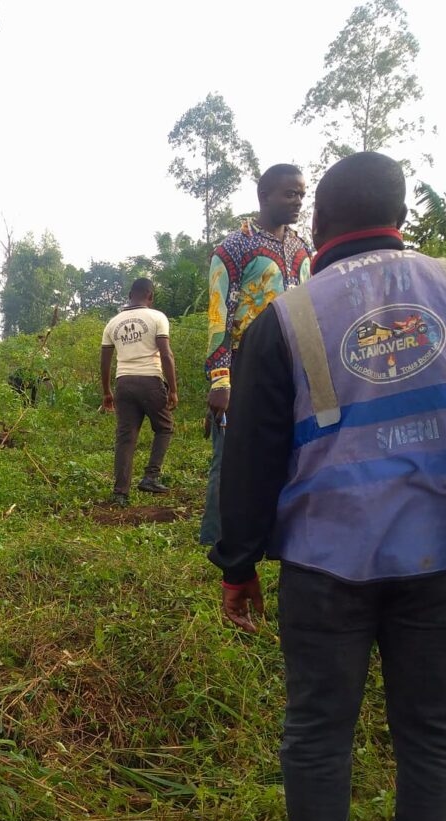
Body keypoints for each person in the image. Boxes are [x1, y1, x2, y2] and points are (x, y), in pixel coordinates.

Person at [210, 152, 446, 821]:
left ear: (316, 226)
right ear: (402, 213)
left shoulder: (290, 316)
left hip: (327, 560)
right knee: (436, 733)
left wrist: (238, 563)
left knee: (319, 728)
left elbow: (249, 450)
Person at [200, 164, 312, 546]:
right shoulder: (234, 248)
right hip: (245, 364)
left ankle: (281, 534)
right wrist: (220, 377)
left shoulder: (302, 249)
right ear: (265, 197)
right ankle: (222, 540)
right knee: (232, 457)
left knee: (293, 451)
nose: (298, 201)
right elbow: (219, 315)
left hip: (296, 365)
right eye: (289, 193)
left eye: (301, 193)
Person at [100, 278, 178, 506]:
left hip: (123, 383)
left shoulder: (113, 323)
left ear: (129, 295)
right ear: (150, 296)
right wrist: (173, 389)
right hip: (150, 382)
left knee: (126, 438)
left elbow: (105, 361)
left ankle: (120, 493)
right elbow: (166, 354)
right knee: (164, 428)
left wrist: (106, 391)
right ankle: (151, 477)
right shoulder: (157, 317)